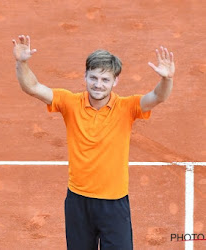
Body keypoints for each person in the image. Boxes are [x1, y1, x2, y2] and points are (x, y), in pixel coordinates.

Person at [12, 35, 175, 250]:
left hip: (114, 203)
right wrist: (22, 62)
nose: (98, 85)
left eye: (105, 80)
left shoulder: (128, 107)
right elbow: (32, 87)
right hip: (78, 201)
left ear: (115, 81)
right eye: (93, 78)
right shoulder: (69, 102)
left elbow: (158, 97)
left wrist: (167, 79)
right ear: (85, 76)